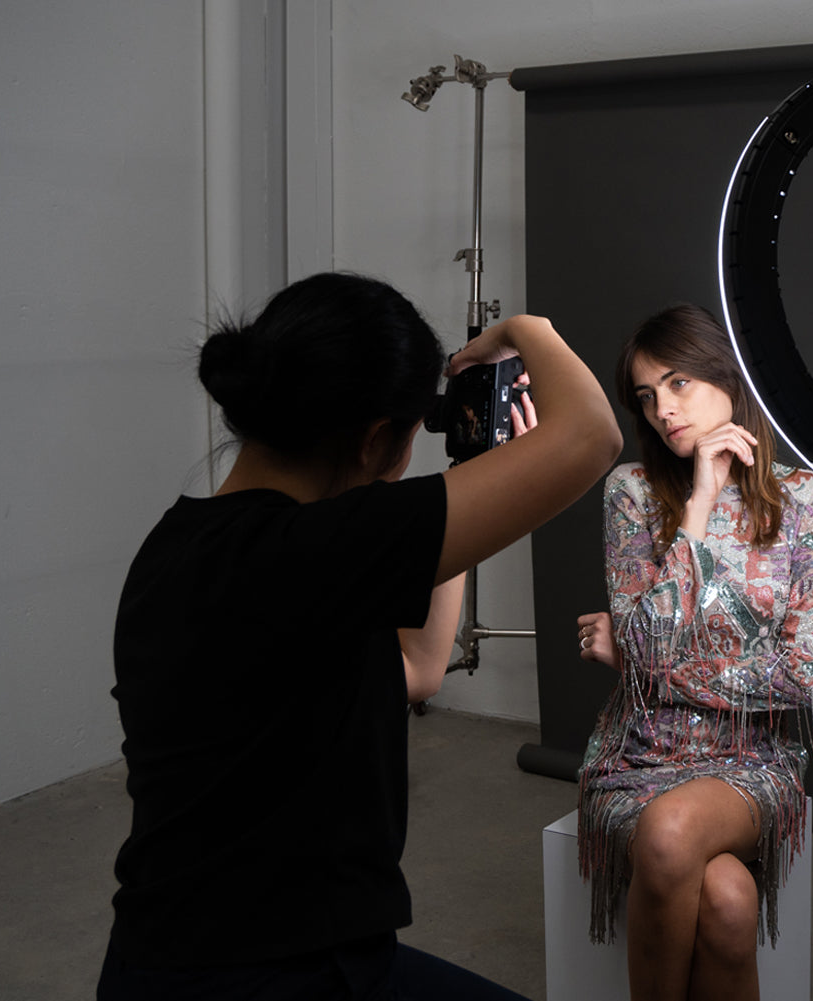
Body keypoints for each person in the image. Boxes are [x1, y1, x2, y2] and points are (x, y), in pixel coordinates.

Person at [98, 272, 621, 1000]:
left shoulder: (183, 546)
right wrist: (527, 330)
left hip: (173, 954)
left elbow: (417, 665)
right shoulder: (318, 549)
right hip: (274, 975)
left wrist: (476, 468)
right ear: (376, 442)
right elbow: (593, 435)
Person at [575, 303, 813, 1001]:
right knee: (727, 899)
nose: (663, 409)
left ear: (726, 375)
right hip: (638, 756)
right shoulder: (632, 493)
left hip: (751, 762)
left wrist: (648, 667)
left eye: (677, 383)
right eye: (646, 396)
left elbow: (805, 676)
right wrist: (696, 504)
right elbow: (645, 644)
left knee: (672, 834)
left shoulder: (807, 501)